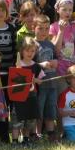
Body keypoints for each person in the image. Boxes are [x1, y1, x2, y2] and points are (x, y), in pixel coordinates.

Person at [33, 14, 59, 142]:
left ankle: (51, 133)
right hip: (39, 84)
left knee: (51, 109)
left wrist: (55, 62)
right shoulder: (31, 44)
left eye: (46, 28)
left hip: (52, 82)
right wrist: (40, 65)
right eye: (40, 28)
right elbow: (27, 65)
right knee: (38, 110)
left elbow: (56, 58)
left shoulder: (50, 44)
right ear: (34, 28)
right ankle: (37, 133)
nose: (44, 32)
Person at [13, 37, 42, 145]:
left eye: (32, 51)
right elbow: (14, 79)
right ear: (22, 51)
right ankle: (15, 141)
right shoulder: (17, 64)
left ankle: (26, 139)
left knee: (29, 120)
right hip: (19, 97)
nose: (30, 53)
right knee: (17, 120)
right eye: (27, 50)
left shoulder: (36, 66)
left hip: (32, 96)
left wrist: (37, 80)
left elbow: (41, 80)